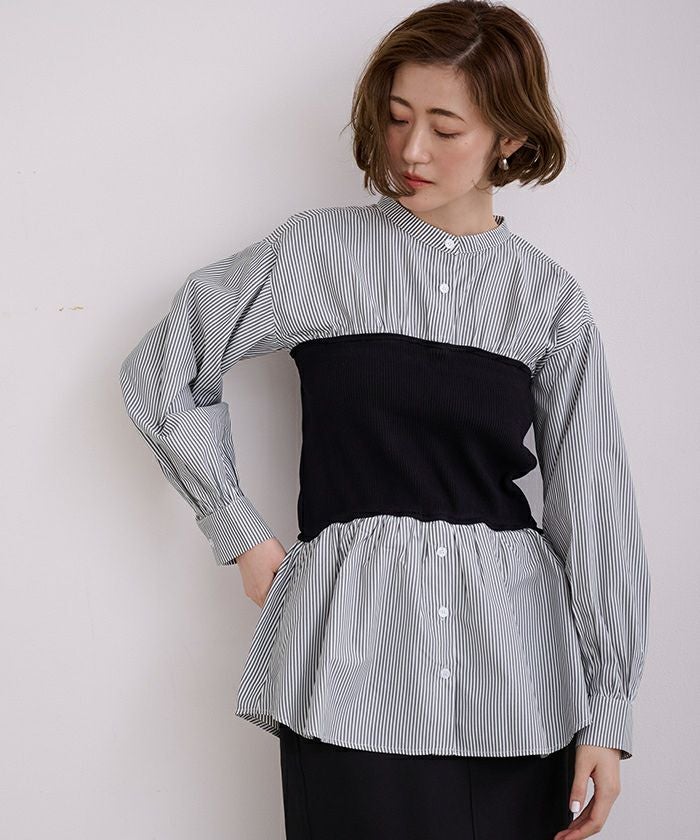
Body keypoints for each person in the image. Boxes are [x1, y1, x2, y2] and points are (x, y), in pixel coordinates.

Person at [118, 1, 651, 837]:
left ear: (509, 137)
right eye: (398, 117)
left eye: (446, 127)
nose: (411, 150)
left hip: (517, 677)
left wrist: (608, 712)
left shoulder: (547, 300)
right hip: (350, 668)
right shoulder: (315, 254)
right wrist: (240, 532)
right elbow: (163, 367)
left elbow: (594, 508)